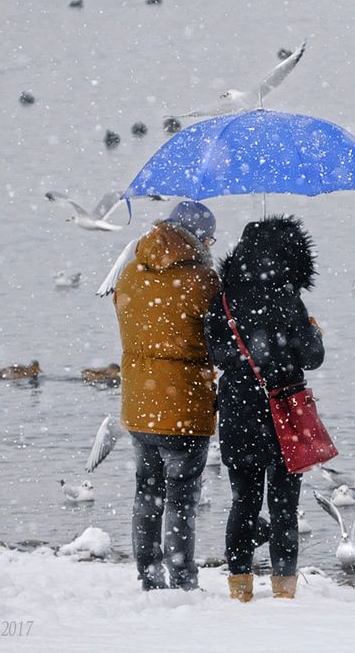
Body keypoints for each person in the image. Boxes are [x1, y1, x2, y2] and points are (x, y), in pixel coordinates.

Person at [204, 215, 324, 601]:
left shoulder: (222, 299)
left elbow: (216, 353)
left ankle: (240, 588)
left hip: (239, 411)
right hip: (284, 411)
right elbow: (312, 356)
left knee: (243, 501)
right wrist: (313, 331)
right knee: (285, 506)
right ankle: (284, 590)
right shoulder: (288, 299)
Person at [113, 200, 219, 591]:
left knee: (146, 493)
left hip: (140, 405)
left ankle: (148, 574)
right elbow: (218, 338)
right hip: (185, 408)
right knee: (181, 499)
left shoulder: (130, 272)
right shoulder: (202, 280)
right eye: (210, 237)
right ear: (197, 238)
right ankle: (183, 579)